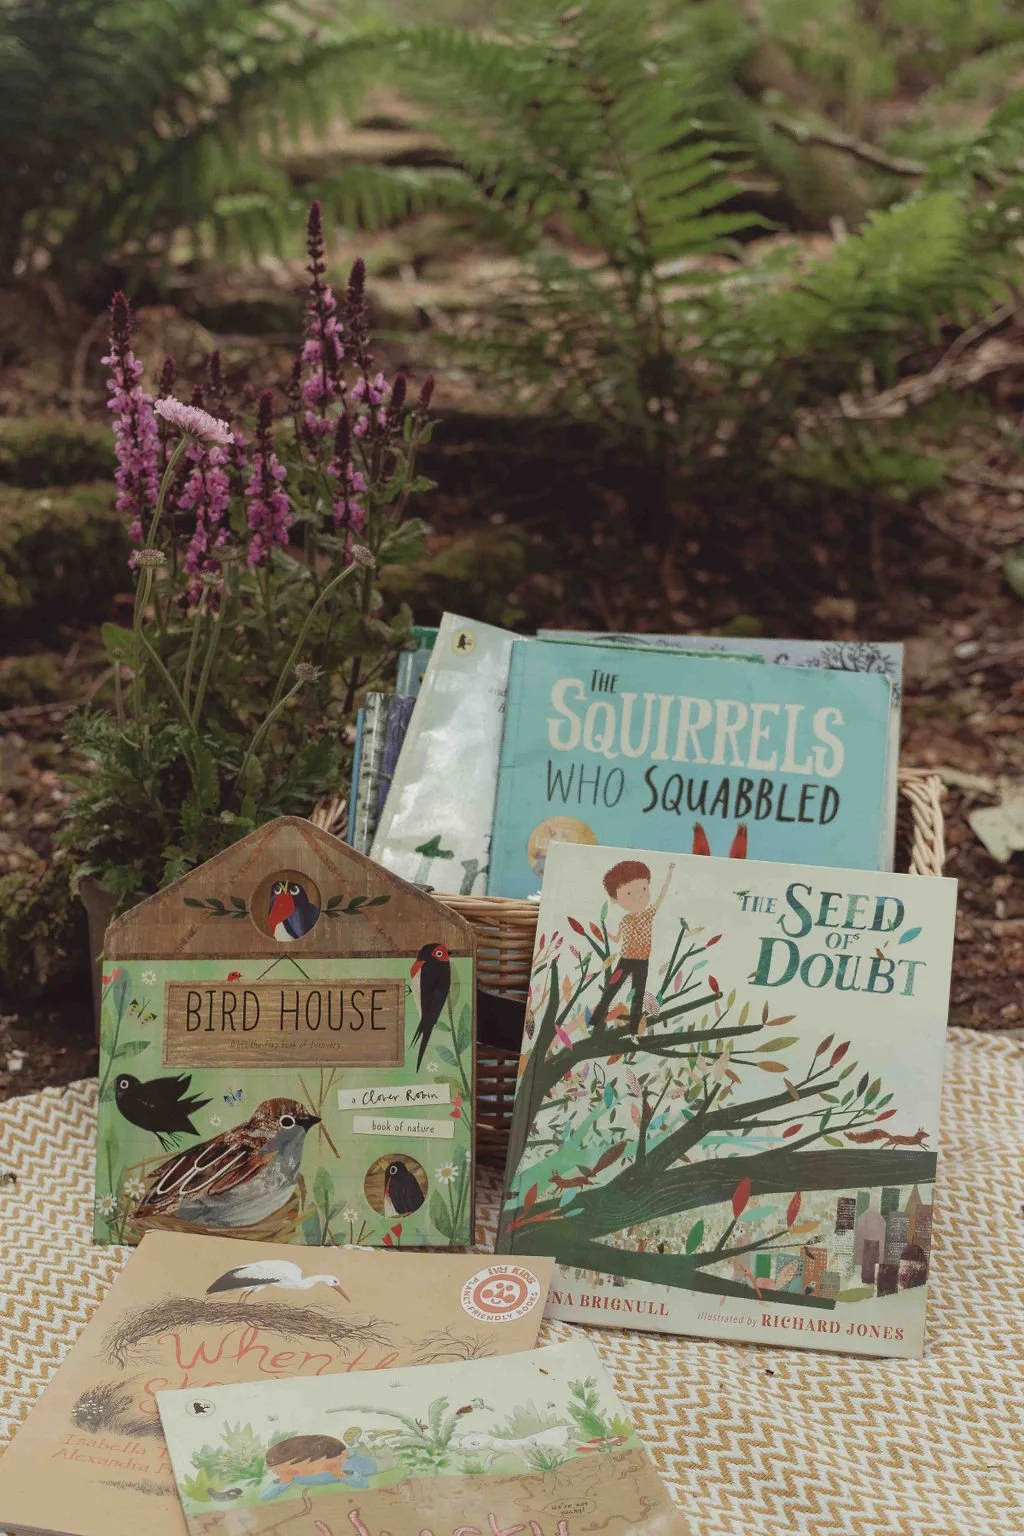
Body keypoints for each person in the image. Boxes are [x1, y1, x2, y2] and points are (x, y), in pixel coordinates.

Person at [588, 858, 675, 1033]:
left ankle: (634, 1032)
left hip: (642, 961)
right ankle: (593, 1022)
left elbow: (661, 896)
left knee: (638, 996)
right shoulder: (625, 920)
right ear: (615, 898)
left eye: (644, 888)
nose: (640, 896)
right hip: (626, 960)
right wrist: (602, 933)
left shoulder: (648, 914)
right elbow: (616, 939)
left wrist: (670, 873)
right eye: (629, 893)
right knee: (611, 990)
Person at [259, 1434, 377, 1500]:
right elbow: (264, 1497)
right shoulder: (295, 1476)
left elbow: (365, 1484)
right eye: (275, 1470)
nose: (277, 1472)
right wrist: (284, 1481)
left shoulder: (343, 1464)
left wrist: (340, 1473)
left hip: (364, 1461)